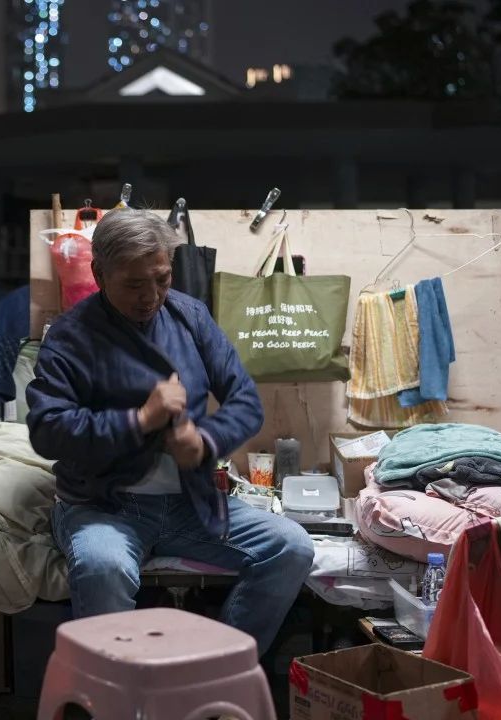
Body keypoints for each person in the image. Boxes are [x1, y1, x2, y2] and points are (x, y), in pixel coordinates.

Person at [25, 208, 314, 655]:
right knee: (103, 567)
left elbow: (244, 400)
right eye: (135, 284)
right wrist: (139, 420)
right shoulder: (70, 336)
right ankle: (115, 697)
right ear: (100, 274)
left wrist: (205, 441)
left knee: (291, 547)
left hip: (188, 502)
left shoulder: (189, 315)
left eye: (161, 279)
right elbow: (47, 431)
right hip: (103, 504)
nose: (152, 296)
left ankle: (220, 671)